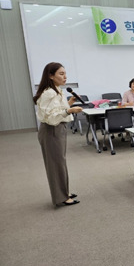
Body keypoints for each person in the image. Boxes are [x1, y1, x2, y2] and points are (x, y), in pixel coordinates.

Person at [33, 62, 83, 207]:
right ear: (51, 76)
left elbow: (58, 110)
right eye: (61, 74)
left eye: (65, 73)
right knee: (55, 165)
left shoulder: (57, 90)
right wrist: (69, 111)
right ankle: (61, 197)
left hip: (58, 129)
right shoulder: (48, 93)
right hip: (51, 130)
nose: (65, 77)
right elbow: (50, 117)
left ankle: (64, 192)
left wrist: (70, 102)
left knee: (60, 162)